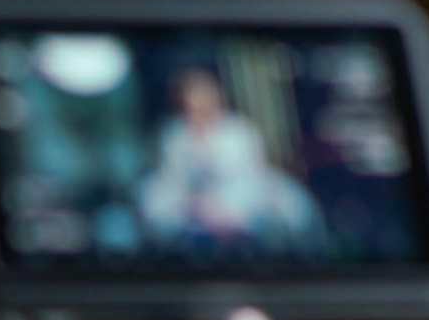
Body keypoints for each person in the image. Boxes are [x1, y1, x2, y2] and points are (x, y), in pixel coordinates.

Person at [135, 62, 322, 247]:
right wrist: (195, 204)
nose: (197, 108)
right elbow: (171, 177)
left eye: (204, 99)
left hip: (240, 197)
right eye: (191, 102)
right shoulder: (174, 134)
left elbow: (250, 177)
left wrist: (223, 208)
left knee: (289, 204)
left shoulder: (239, 131)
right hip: (189, 202)